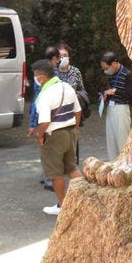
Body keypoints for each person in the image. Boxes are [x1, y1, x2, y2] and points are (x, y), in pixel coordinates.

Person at [32, 59, 82, 215]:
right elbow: (78, 110)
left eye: (35, 76)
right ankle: (84, 200)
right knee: (72, 168)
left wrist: (40, 136)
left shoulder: (45, 95)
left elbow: (45, 121)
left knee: (55, 173)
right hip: (70, 131)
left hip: (54, 135)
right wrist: (75, 128)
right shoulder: (66, 86)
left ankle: (63, 206)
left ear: (41, 77)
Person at [27, 47, 60, 191]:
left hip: (40, 115)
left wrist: (33, 122)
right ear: (53, 59)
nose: (59, 62)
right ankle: (49, 179)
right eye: (58, 59)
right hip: (47, 116)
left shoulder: (39, 73)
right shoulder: (48, 76)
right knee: (50, 148)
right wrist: (34, 123)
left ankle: (45, 175)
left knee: (45, 146)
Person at [99, 52, 132, 160]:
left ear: (114, 63)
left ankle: (124, 163)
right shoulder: (111, 75)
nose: (106, 70)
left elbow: (131, 95)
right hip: (111, 108)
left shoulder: (127, 74)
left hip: (121, 108)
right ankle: (113, 162)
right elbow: (108, 91)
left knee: (122, 138)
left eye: (107, 67)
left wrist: (116, 91)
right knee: (111, 138)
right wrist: (105, 95)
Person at [56, 42, 88, 162]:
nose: (63, 58)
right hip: (58, 111)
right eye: (60, 56)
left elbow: (82, 89)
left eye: (65, 55)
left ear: (69, 57)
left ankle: (73, 161)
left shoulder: (76, 71)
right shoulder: (53, 72)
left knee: (73, 134)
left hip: (73, 110)